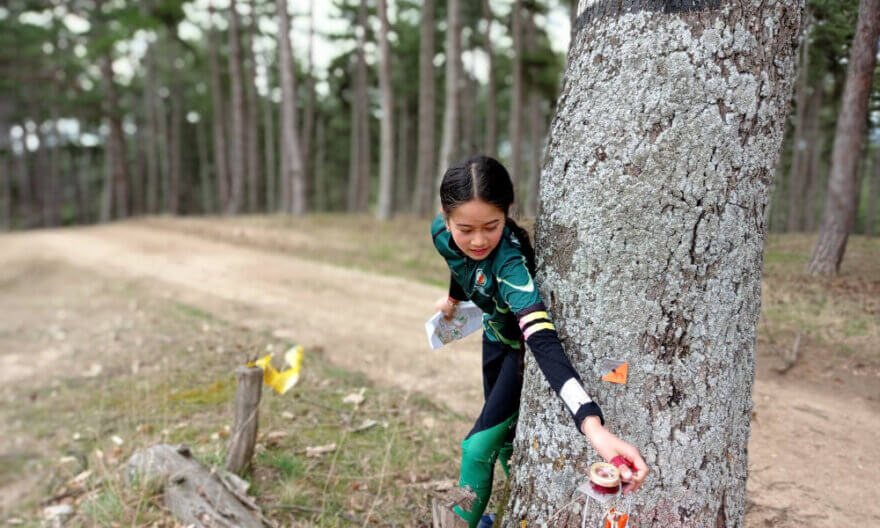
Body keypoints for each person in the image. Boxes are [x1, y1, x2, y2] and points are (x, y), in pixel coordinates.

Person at [431, 155, 648, 526]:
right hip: (492, 342)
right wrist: (453, 298)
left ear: (508, 211)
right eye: (465, 228)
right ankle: (515, 512)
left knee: (477, 447)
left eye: (492, 225)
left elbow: (543, 341)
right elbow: (461, 262)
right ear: (446, 217)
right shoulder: (442, 235)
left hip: (521, 355)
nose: (479, 240)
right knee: (505, 442)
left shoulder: (511, 267)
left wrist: (592, 426)